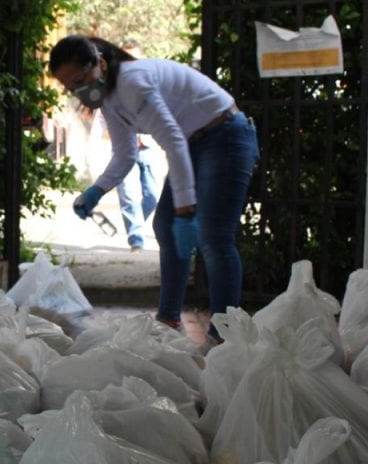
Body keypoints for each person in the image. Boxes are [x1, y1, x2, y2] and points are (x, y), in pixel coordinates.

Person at [50, 35, 259, 343]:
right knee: (165, 226)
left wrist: (186, 210)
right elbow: (125, 153)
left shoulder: (132, 81)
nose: (80, 91)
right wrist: (97, 190)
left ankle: (224, 336)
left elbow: (171, 138)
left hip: (226, 134)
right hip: (194, 142)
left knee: (214, 238)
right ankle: (169, 320)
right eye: (71, 87)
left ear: (100, 63)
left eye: (81, 80)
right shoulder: (108, 96)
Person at [90, 110, 159, 250]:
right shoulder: (109, 101)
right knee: (129, 195)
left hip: (148, 148)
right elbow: (98, 124)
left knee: (153, 197)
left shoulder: (143, 92)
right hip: (124, 151)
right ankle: (136, 239)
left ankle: (135, 224)